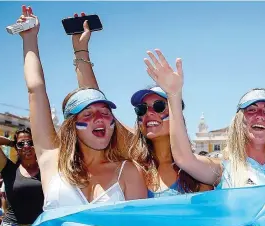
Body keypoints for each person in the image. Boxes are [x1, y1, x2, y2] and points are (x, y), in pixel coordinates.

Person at [16, 5, 146, 210]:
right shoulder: (52, 159)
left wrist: (81, 50)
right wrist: (29, 38)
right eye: (88, 113)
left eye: (105, 112)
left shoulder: (128, 171)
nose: (100, 118)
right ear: (72, 126)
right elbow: (35, 90)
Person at [69, 13, 211, 197]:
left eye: (159, 106)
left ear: (176, 113)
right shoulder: (133, 165)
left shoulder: (199, 168)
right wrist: (81, 50)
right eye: (141, 110)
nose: (148, 114)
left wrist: (174, 93)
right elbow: (93, 100)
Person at [143, 50, 265, 188]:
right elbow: (184, 159)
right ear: (239, 123)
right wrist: (174, 95)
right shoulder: (224, 169)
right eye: (251, 110)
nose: (260, 116)